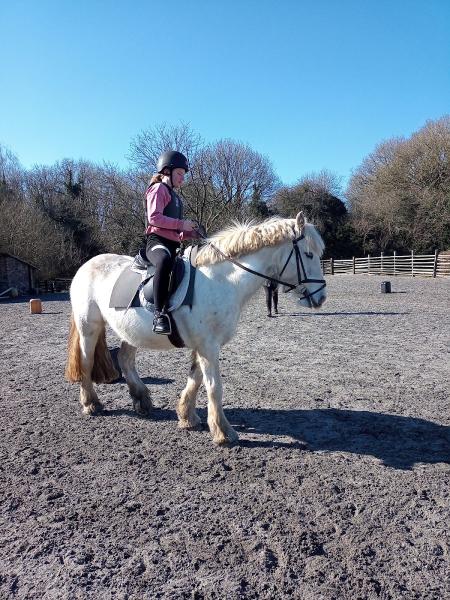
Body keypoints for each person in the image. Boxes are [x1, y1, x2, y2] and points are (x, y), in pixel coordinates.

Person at [145, 150, 199, 334]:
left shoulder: (176, 198)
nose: (182, 179)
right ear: (166, 171)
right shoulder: (158, 189)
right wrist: (181, 224)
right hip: (156, 243)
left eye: (183, 175)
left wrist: (189, 234)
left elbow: (175, 232)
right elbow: (154, 218)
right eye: (179, 174)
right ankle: (159, 315)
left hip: (172, 244)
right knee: (165, 261)